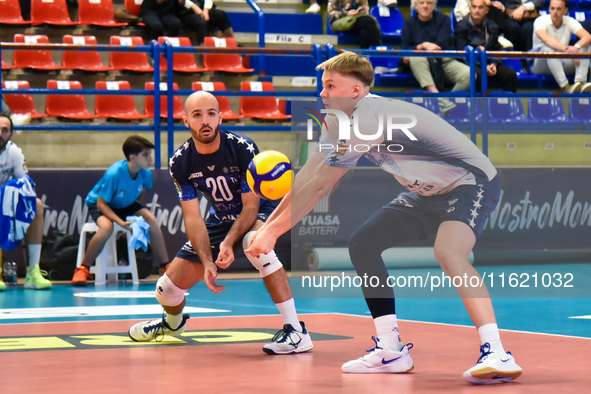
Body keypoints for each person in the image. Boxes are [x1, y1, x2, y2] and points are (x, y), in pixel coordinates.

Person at [246, 51, 523, 384]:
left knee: (448, 251)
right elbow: (306, 175)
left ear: (357, 91)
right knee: (363, 244)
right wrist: (269, 226)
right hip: (425, 193)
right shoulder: (336, 120)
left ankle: (496, 351)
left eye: (331, 85)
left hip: (469, 182)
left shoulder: (370, 116)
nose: (323, 93)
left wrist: (272, 233)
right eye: (322, 85)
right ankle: (391, 350)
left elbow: (322, 184)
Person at [127, 91, 313, 355]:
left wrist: (228, 242)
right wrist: (206, 262)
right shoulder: (180, 162)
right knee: (166, 291)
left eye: (211, 114)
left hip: (258, 208)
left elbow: (250, 206)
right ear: (186, 121)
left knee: (255, 244)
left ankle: (296, 331)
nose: (206, 121)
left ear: (220, 117)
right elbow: (192, 217)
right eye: (197, 115)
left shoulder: (241, 147)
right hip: (220, 218)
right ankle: (172, 325)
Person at [71, 136, 170, 285]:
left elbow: (141, 191)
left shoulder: (145, 173)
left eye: (150, 154)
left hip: (126, 204)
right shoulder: (115, 173)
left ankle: (165, 266)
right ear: (132, 157)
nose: (150, 159)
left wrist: (133, 214)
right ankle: (83, 269)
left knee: (150, 218)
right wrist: (122, 223)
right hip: (102, 204)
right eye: (146, 155)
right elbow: (101, 204)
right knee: (106, 228)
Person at [0, 114, 51, 291]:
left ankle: (33, 272)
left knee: (36, 204)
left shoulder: (14, 152)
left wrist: (12, 190)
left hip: (4, 198)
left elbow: (26, 183)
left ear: (11, 134)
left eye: (5, 130)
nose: (0, 133)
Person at [400, 0, 471, 115]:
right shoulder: (409, 23)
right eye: (421, 3)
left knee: (469, 74)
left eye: (429, 3)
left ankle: (447, 102)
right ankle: (439, 98)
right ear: (416, 7)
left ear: (434, 6)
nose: (425, 6)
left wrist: (418, 48)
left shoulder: (443, 20)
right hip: (420, 62)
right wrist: (422, 46)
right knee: (416, 57)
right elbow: (405, 49)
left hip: (443, 60)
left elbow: (440, 44)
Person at [453, 0, 518, 92]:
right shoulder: (461, 27)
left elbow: (497, 48)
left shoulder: (492, 26)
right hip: (470, 62)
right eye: (474, 7)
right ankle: (480, 104)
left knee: (510, 74)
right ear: (470, 9)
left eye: (480, 7)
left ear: (486, 10)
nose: (477, 10)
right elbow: (462, 53)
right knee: (477, 74)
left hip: (489, 62)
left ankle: (509, 104)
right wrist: (483, 65)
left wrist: (494, 64)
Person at [530, 0, 591, 93]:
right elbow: (546, 39)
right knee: (548, 50)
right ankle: (565, 86)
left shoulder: (570, 21)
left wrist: (576, 47)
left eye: (559, 9)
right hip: (540, 63)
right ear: (549, 9)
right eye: (552, 8)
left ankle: (579, 83)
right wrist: (568, 50)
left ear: (565, 11)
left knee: (585, 45)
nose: (555, 12)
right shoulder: (540, 21)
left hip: (562, 61)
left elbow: (587, 36)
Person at [140, 0, 233, 45]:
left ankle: (233, 45)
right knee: (157, 26)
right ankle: (155, 52)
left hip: (168, 12)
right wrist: (194, 7)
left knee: (220, 14)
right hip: (154, 10)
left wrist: (206, 10)